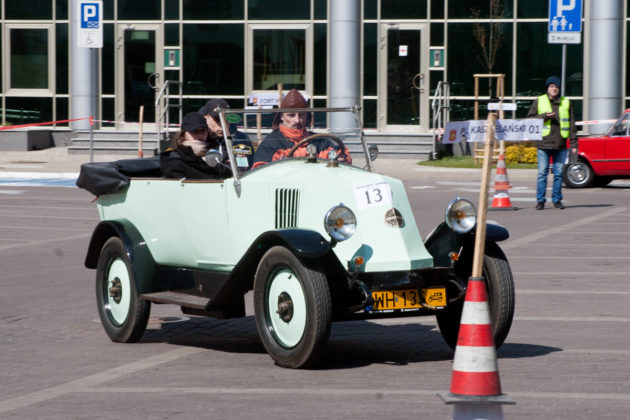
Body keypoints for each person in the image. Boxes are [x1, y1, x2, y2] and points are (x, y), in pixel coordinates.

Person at [252, 89, 351, 169]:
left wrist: (342, 158)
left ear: (307, 116)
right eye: (291, 115)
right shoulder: (271, 144)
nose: (297, 120)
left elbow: (342, 154)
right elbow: (259, 172)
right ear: (281, 116)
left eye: (301, 115)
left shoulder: (320, 141)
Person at [527, 76, 577, 210]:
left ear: (559, 89)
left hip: (560, 144)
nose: (554, 89)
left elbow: (572, 125)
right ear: (547, 88)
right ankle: (540, 201)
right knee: (542, 174)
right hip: (543, 144)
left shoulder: (566, 102)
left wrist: (573, 144)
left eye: (556, 87)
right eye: (551, 86)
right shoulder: (539, 101)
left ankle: (557, 200)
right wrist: (544, 116)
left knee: (559, 174)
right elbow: (530, 119)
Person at [160, 112, 230, 179]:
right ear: (184, 134)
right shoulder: (175, 161)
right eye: (194, 131)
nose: (200, 135)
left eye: (203, 130)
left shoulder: (214, 153)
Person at [199, 98, 254, 170]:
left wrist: (239, 165)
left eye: (226, 119)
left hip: (237, 179)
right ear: (206, 117)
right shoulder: (199, 138)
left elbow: (250, 165)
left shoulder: (240, 138)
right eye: (217, 119)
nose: (222, 124)